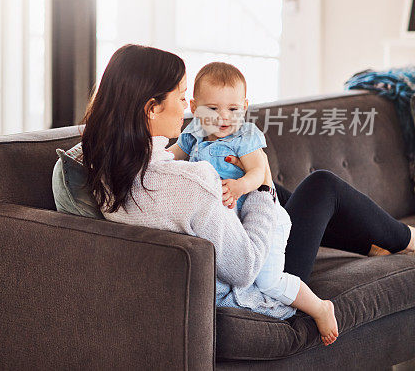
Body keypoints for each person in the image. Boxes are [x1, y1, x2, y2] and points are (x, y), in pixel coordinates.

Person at [66, 44, 415, 347]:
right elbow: (246, 267)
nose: (188, 107)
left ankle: (374, 241)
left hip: (222, 249)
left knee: (290, 198)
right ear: (151, 108)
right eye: (182, 95)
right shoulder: (188, 182)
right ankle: (405, 238)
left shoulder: (102, 165)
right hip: (258, 285)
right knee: (321, 186)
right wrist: (262, 183)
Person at [168, 61, 336, 344]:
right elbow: (171, 157)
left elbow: (259, 172)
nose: (223, 117)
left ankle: (320, 307)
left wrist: (238, 185)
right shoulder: (193, 133)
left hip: (266, 219)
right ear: (194, 106)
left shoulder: (244, 136)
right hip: (239, 228)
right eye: (212, 109)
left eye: (233, 109)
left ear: (244, 107)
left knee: (268, 281)